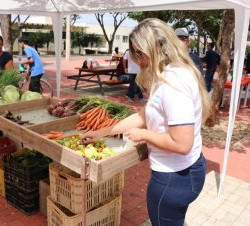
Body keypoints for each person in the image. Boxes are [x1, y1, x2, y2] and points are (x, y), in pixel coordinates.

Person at [82, 18, 210, 226]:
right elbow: (143, 116)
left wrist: (143, 135)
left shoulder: (172, 84)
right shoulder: (171, 75)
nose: (138, 61)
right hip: (187, 172)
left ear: (156, 46)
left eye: (139, 53)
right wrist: (103, 132)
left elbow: (182, 144)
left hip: (173, 179)